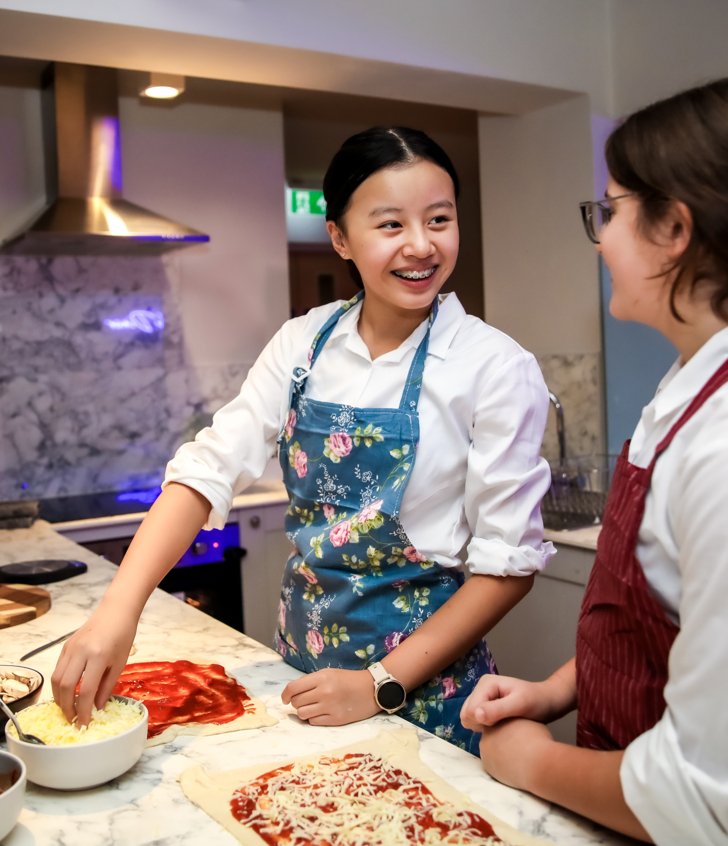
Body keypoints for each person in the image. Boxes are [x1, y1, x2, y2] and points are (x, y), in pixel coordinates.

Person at [52, 126, 554, 754]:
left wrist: (377, 685)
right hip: (303, 675)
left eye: (440, 219)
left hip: (427, 694)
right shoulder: (303, 345)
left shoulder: (494, 366)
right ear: (339, 237)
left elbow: (507, 569)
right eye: (391, 225)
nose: (421, 245)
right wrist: (117, 612)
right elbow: (207, 471)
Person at [460, 79, 728, 842]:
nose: (601, 236)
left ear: (674, 227)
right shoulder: (685, 387)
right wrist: (552, 694)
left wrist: (531, 762)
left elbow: (701, 799)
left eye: (610, 210)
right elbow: (660, 625)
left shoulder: (720, 446)